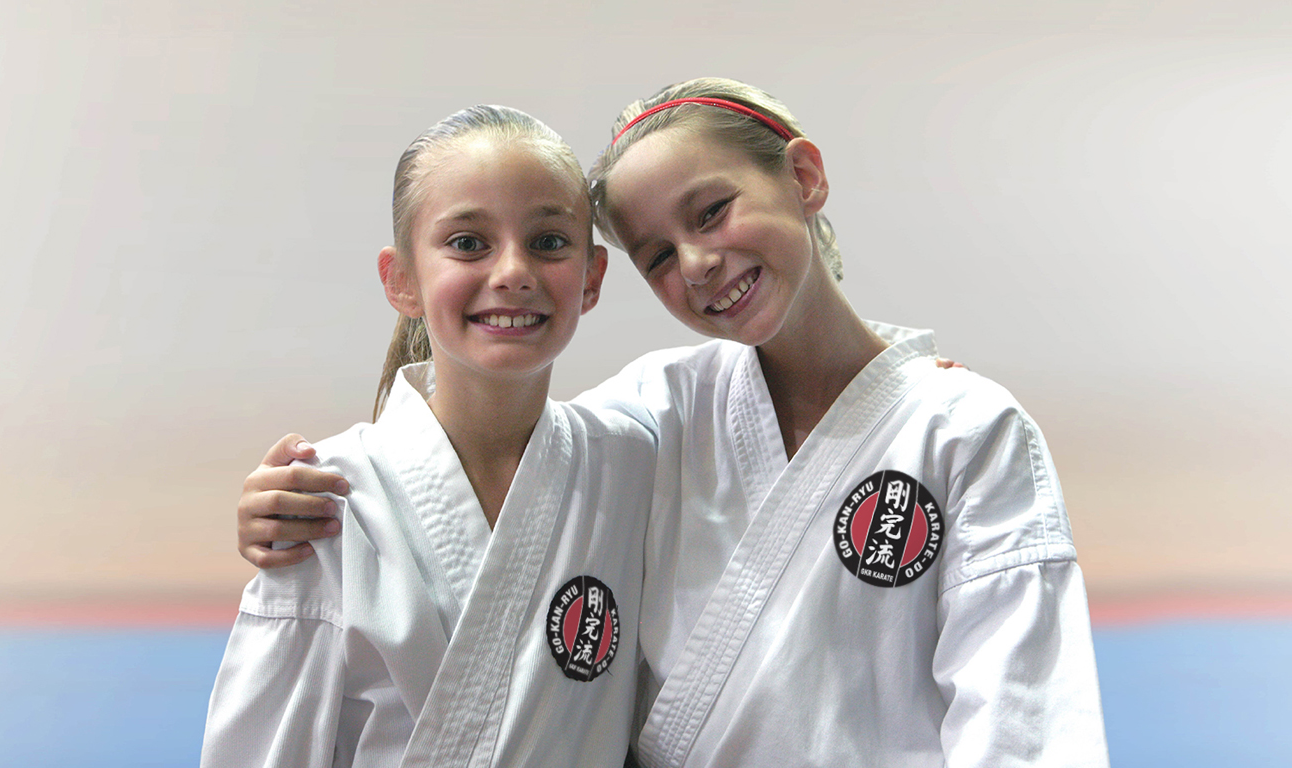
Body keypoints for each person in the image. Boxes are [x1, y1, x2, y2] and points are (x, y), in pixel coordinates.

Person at [235, 79, 1110, 767]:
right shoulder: (652, 417)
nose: (696, 262)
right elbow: (496, 455)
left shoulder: (961, 429)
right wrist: (283, 502)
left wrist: (926, 402)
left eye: (712, 211)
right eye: (657, 253)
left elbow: (1022, 717)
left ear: (802, 179)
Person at [201, 105, 656, 768]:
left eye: (550, 242)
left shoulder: (632, 467)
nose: (513, 272)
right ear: (402, 281)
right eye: (469, 243)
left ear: (591, 278)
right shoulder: (325, 503)